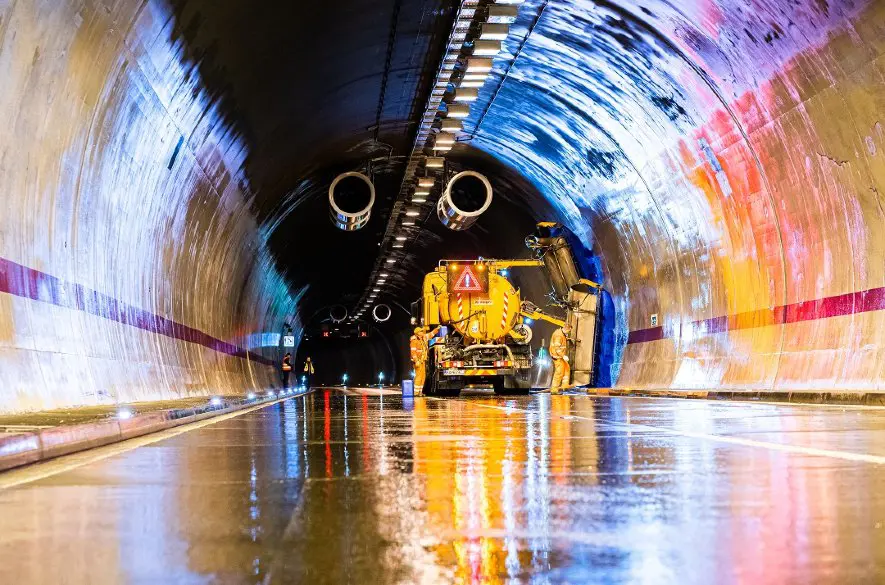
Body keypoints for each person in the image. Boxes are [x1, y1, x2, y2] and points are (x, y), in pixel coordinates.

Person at [410, 326, 439, 395]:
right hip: (418, 361)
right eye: (421, 331)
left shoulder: (423, 338)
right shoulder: (414, 341)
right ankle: (416, 393)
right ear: (417, 333)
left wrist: (437, 329)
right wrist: (416, 361)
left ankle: (420, 392)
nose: (422, 332)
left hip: (423, 361)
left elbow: (431, 334)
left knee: (423, 376)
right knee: (419, 376)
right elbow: (413, 352)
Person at [549, 322, 572, 393]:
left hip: (559, 356)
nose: (569, 332)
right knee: (559, 373)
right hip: (557, 356)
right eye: (569, 331)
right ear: (566, 329)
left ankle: (564, 387)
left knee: (566, 369)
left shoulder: (561, 334)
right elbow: (557, 348)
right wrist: (563, 356)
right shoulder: (559, 336)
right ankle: (554, 390)